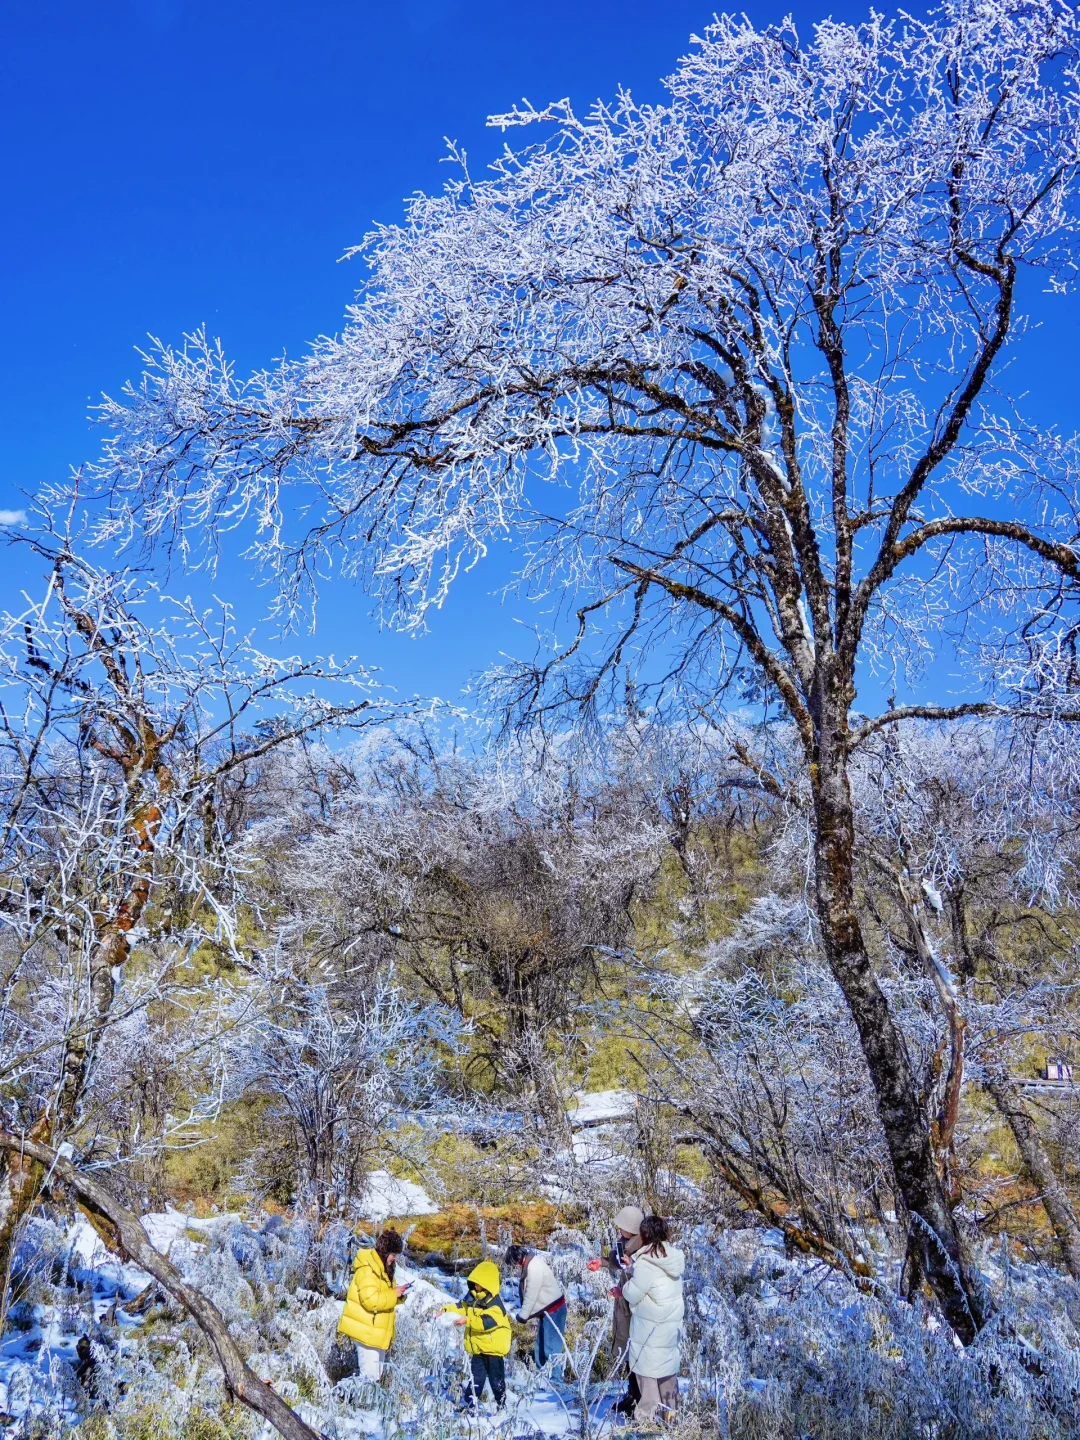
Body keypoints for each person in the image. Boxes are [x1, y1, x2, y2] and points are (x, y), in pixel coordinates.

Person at [621, 1215, 684, 1425]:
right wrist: (633, 1269)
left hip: (649, 1332)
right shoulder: (670, 1258)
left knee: (648, 1385)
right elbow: (656, 1283)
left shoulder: (646, 1263)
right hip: (669, 1330)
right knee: (668, 1379)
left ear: (644, 1235)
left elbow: (632, 1293)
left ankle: (645, 1427)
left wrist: (623, 1286)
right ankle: (673, 1422)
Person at [587, 1204, 645, 1416]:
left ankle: (639, 1401)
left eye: (622, 1226)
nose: (619, 1230)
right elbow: (617, 1262)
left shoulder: (642, 1248)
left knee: (635, 1352)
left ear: (631, 1227)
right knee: (627, 1353)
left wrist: (624, 1291)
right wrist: (601, 1262)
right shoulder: (627, 1244)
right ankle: (632, 1395)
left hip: (636, 1308)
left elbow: (642, 1277)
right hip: (625, 1303)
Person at [337, 1228, 409, 1382]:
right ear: (385, 1251)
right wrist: (393, 1294)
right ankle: (355, 1403)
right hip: (366, 1331)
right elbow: (370, 1301)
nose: (394, 1259)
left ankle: (358, 1402)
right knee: (369, 1378)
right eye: (393, 1255)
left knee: (374, 1377)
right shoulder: (368, 1269)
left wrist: (398, 1295)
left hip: (376, 1332)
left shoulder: (384, 1269)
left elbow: (383, 1297)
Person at [441, 1259, 512, 1410]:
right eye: (473, 1282)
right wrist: (446, 1310)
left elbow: (486, 1323)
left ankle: (502, 1406)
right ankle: (469, 1405)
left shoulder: (496, 1305)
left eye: (478, 1283)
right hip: (478, 1349)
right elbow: (461, 1306)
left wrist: (468, 1320)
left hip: (494, 1351)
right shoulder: (473, 1297)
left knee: (496, 1380)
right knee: (476, 1379)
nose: (475, 1286)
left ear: (487, 1284)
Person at [505, 1243, 567, 1372]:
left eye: (513, 1264)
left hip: (555, 1310)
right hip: (546, 1311)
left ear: (517, 1258)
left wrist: (523, 1316)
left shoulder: (534, 1267)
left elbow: (531, 1294)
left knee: (551, 1349)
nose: (514, 1268)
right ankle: (540, 1377)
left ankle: (555, 1382)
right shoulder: (529, 1263)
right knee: (540, 1346)